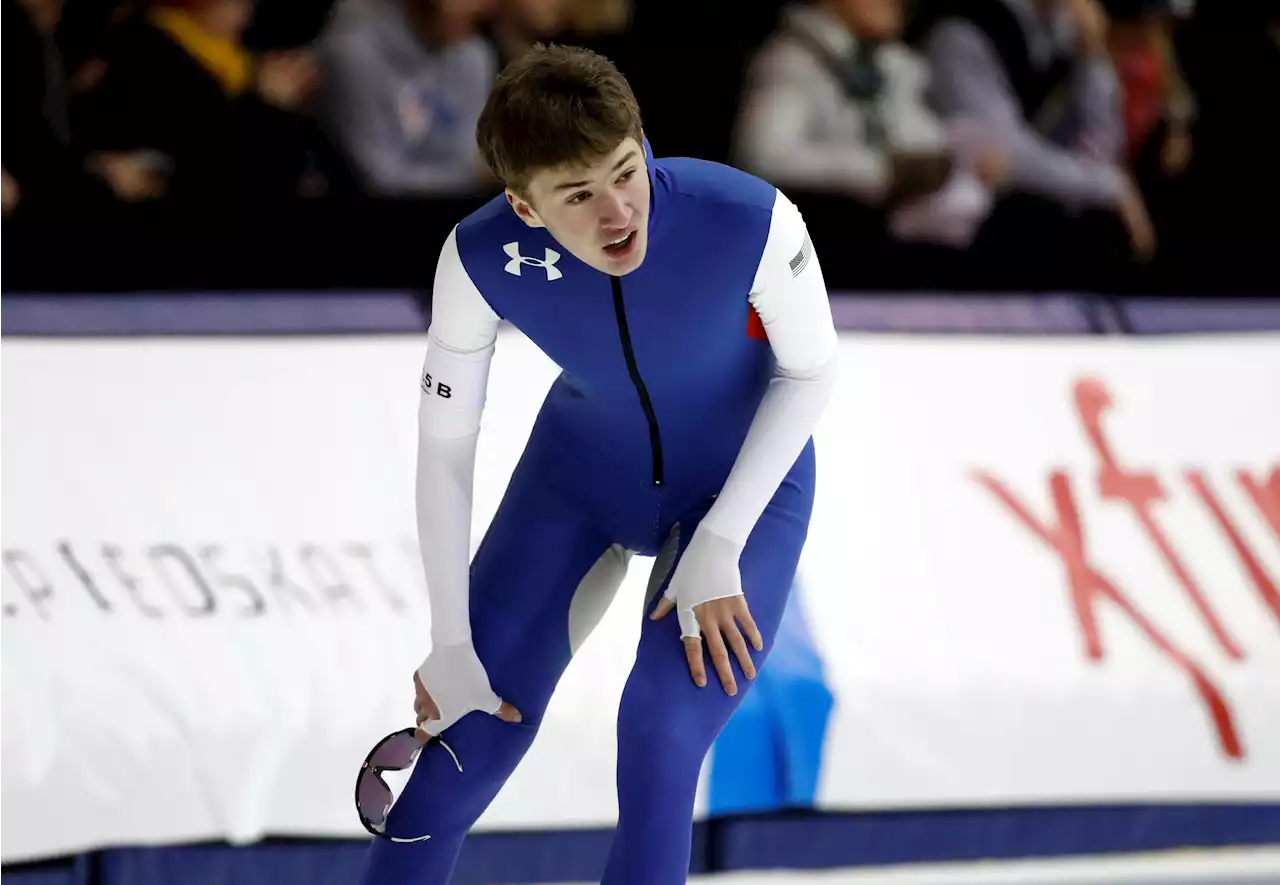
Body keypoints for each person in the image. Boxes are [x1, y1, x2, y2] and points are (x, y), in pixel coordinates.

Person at [358, 43, 839, 885]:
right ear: (524, 206)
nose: (619, 211)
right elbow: (444, 448)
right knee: (453, 760)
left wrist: (720, 542)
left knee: (658, 734)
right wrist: (448, 638)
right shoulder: (477, 259)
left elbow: (811, 370)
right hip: (579, 479)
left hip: (740, 487)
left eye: (626, 172)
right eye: (579, 196)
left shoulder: (747, 216)